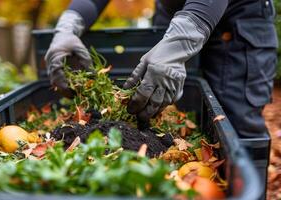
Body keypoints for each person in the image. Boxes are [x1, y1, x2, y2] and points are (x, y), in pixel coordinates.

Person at [44, 0, 278, 137]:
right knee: (167, 114)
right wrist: (68, 25)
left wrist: (183, 40)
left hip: (236, 20)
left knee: (235, 129)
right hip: (173, 15)